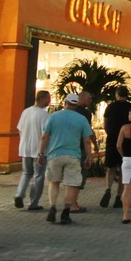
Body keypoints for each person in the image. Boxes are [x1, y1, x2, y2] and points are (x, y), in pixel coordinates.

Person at [39, 93, 94, 225]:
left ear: (65, 102)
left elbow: (45, 137)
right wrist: (89, 156)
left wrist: (41, 153)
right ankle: (65, 211)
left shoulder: (53, 117)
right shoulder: (81, 119)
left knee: (54, 182)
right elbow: (87, 140)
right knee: (72, 184)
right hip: (73, 156)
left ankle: (52, 207)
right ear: (76, 104)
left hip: (54, 155)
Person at [14, 90, 51, 210]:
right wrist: (42, 151)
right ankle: (33, 202)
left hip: (25, 148)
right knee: (38, 176)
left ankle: (19, 194)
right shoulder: (44, 115)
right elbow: (45, 134)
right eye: (48, 98)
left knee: (26, 173)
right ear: (43, 98)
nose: (49, 101)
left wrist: (23, 142)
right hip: (38, 150)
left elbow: (20, 130)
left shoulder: (26, 112)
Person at [102, 86, 131, 209]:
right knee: (122, 169)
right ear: (126, 95)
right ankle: (118, 197)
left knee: (110, 168)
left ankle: (108, 189)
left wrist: (110, 133)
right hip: (126, 141)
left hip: (112, 139)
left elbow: (105, 124)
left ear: (116, 95)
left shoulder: (110, 107)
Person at [72, 91, 99, 212]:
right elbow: (88, 132)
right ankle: (73, 202)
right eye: (89, 99)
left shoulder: (68, 112)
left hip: (68, 148)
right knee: (79, 175)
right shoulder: (85, 114)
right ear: (81, 99)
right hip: (80, 148)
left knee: (71, 175)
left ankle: (69, 201)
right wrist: (94, 145)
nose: (91, 101)